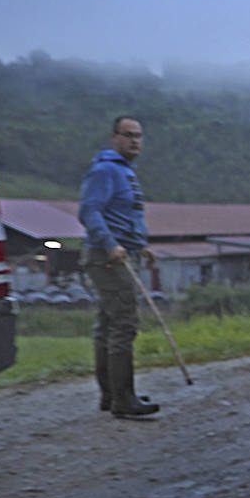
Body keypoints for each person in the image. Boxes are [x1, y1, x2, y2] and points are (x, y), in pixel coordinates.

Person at [78, 116, 159, 419]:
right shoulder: (104, 170)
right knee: (123, 324)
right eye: (128, 135)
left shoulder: (124, 171)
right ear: (114, 138)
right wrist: (111, 244)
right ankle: (123, 398)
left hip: (119, 253)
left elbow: (123, 216)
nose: (135, 141)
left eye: (138, 135)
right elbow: (89, 211)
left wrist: (141, 246)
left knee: (108, 325)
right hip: (107, 257)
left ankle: (111, 395)